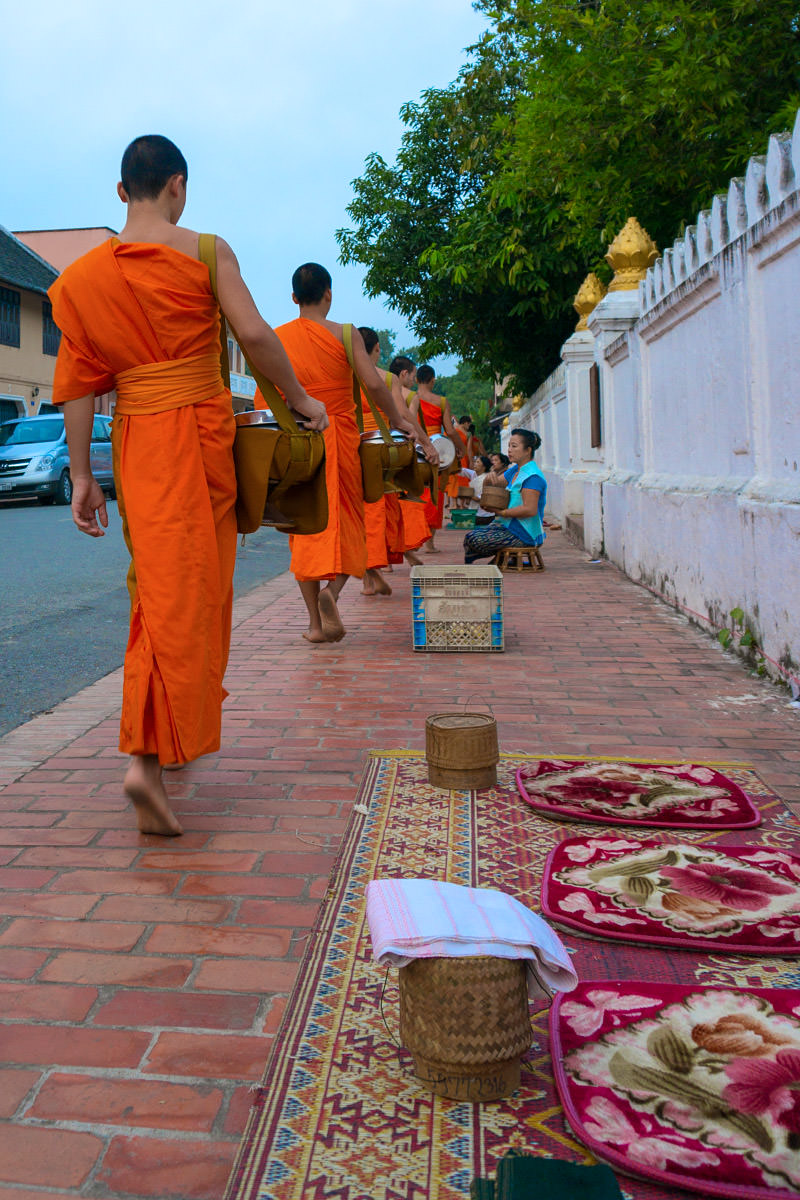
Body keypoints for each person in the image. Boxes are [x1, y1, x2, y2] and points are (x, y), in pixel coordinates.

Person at [48, 134, 327, 837]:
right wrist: (300, 398)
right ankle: (146, 757)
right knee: (192, 593)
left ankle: (159, 746)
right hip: (200, 432)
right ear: (178, 186)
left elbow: (79, 385)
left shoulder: (85, 278)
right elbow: (257, 336)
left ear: (121, 192)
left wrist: (83, 475)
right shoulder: (204, 250)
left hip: (135, 437)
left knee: (156, 587)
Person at [268, 266, 436, 642]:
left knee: (304, 528)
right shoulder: (345, 334)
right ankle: (334, 592)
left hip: (298, 443)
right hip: (339, 438)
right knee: (349, 522)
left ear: (294, 297)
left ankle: (314, 624)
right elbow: (374, 384)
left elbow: (271, 395)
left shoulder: (277, 338)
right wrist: (399, 421)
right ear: (329, 293)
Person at [358, 330, 429, 595]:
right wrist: (427, 443)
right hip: (378, 451)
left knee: (356, 514)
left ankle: (369, 576)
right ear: (376, 348)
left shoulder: (345, 376)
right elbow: (402, 415)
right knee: (377, 511)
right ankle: (372, 571)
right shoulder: (385, 378)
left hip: (347, 446)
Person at [463, 428, 547, 563]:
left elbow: (529, 509)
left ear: (528, 450)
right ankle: (503, 558)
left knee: (475, 540)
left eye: (514, 446)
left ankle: (503, 558)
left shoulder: (532, 477)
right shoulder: (515, 469)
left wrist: (502, 512)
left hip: (524, 533)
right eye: (509, 446)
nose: (509, 450)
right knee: (469, 537)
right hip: (508, 525)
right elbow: (496, 484)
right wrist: (488, 479)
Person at [407, 364, 454, 551]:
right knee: (435, 495)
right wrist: (459, 449)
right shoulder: (441, 402)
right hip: (437, 451)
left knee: (415, 494)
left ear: (416, 379)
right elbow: (450, 430)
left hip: (414, 448)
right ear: (433, 380)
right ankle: (430, 543)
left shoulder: (409, 398)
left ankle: (414, 537)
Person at [470, 454, 495, 525]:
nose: (475, 464)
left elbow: (479, 499)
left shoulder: (486, 478)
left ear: (484, 466)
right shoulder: (474, 474)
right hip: (479, 514)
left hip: (484, 517)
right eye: (475, 462)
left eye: (478, 462)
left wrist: (466, 494)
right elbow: (461, 470)